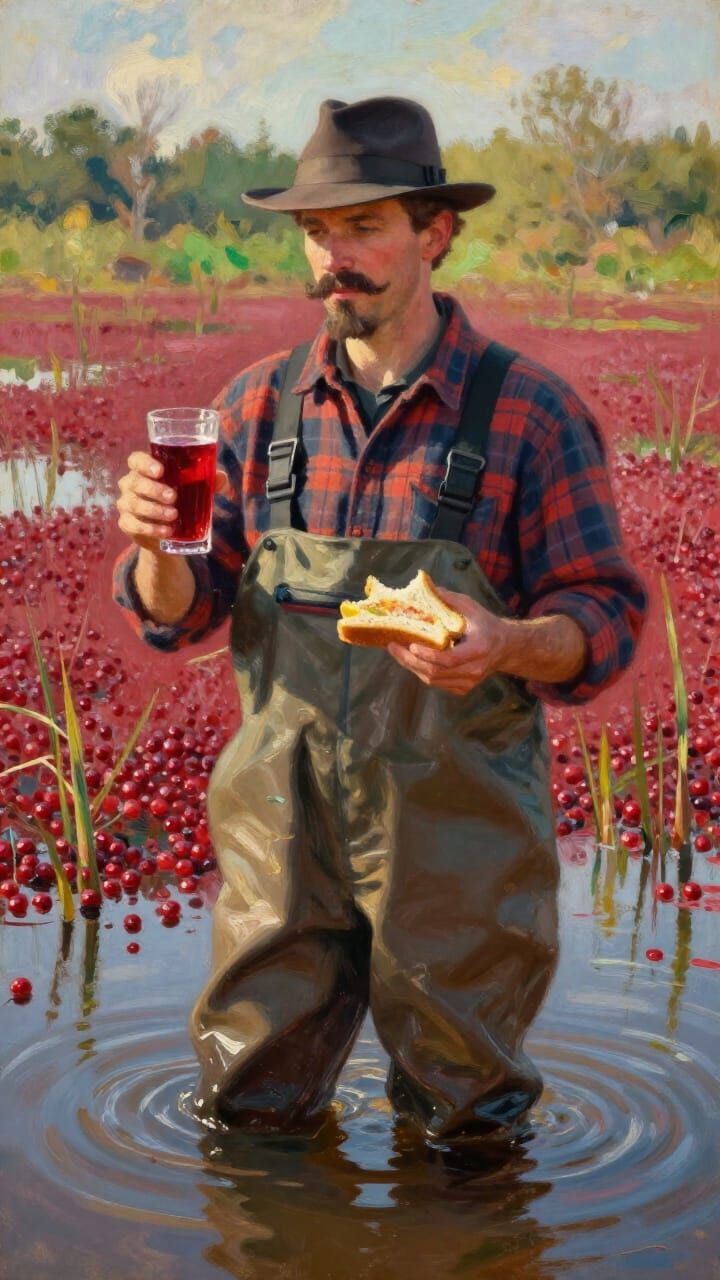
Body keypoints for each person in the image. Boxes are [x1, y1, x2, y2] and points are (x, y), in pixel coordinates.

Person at [114, 96, 649, 1147]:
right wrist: (152, 546)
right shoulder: (253, 409)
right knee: (247, 1113)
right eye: (317, 230)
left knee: (468, 1131)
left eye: (363, 226)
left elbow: (605, 616)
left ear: (436, 232)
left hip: (456, 844)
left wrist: (509, 642)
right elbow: (180, 618)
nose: (333, 255)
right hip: (280, 833)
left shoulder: (527, 413)